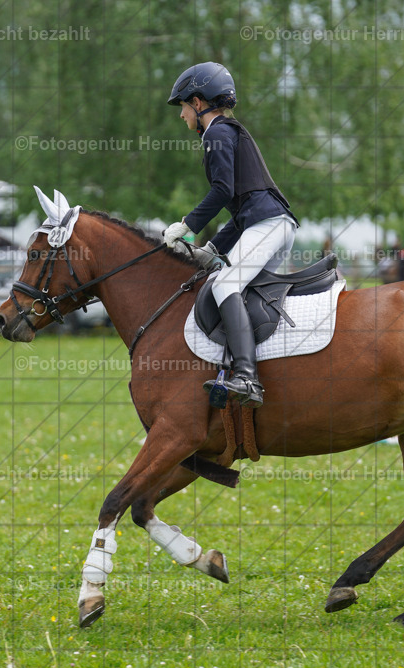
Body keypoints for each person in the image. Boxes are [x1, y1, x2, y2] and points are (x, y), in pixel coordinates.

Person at [162, 62, 299, 408]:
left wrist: (187, 226)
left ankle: (247, 378)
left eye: (182, 107)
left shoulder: (217, 134)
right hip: (268, 223)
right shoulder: (228, 131)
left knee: (225, 285)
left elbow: (223, 192)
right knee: (232, 283)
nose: (181, 116)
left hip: (267, 224)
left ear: (197, 102)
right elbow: (241, 207)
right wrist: (212, 248)